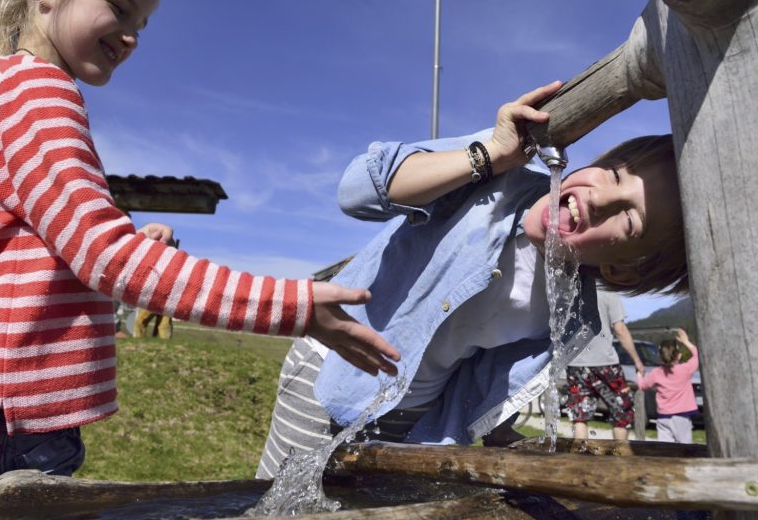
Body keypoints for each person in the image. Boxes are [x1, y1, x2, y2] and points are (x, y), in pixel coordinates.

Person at [0, 0, 399, 499]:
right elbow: (105, 257)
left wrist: (118, 240)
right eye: (119, 9)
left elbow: (38, 251)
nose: (129, 38)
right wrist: (295, 307)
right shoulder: (34, 91)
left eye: (140, 26)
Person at [256, 81, 689, 478]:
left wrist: (500, 433)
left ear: (622, 268)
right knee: (278, 518)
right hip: (330, 374)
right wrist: (487, 154)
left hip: (416, 419)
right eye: (613, 174)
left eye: (629, 219)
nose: (600, 198)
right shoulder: (499, 176)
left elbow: (486, 372)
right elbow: (358, 191)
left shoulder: (574, 315)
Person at [564, 289, 645, 441]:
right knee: (621, 414)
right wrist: (637, 360)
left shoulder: (573, 288)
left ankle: (579, 459)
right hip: (606, 362)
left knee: (579, 416)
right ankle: (620, 460)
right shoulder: (609, 292)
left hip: (576, 363)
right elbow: (619, 329)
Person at [637, 328, 699, 443]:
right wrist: (686, 341)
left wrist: (639, 374)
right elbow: (697, 355)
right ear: (679, 356)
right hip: (682, 417)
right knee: (685, 450)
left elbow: (642, 386)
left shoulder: (656, 373)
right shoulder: (686, 369)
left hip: (663, 417)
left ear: (661, 357)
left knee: (666, 450)